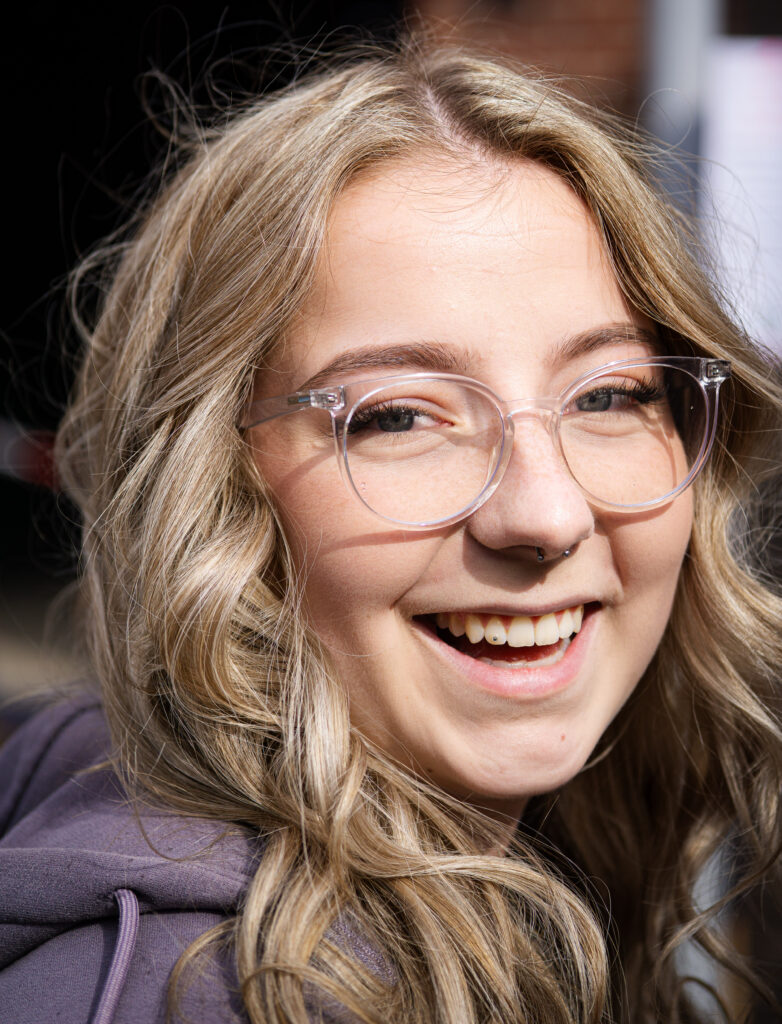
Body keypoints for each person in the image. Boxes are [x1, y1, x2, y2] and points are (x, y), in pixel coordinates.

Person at [1, 40, 781, 1024]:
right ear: (209, 483)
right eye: (398, 416)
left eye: (609, 395)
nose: (545, 514)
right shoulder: (177, 991)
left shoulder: (556, 872)